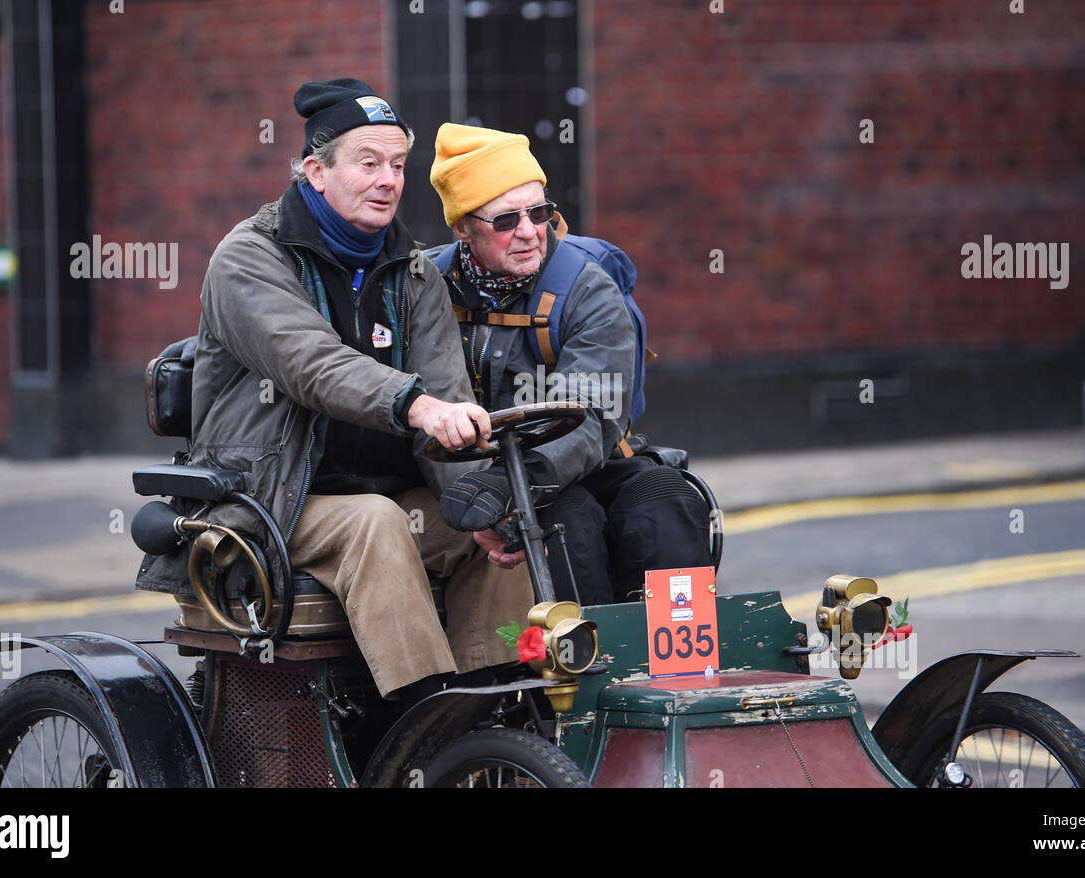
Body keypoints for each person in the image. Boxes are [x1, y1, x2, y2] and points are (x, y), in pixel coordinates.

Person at [135, 81, 531, 704]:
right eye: (368, 163)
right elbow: (312, 364)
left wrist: (479, 504)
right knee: (376, 523)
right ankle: (424, 725)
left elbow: (448, 387)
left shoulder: (413, 271)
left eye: (398, 165)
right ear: (316, 172)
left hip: (386, 497)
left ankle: (494, 712)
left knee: (498, 527)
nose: (388, 181)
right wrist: (417, 405)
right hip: (268, 502)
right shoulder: (247, 258)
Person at [426, 123, 712, 605]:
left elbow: (590, 410)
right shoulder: (425, 288)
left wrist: (515, 482)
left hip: (577, 458)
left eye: (539, 212)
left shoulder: (586, 285)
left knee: (667, 498)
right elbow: (421, 406)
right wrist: (481, 501)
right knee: (566, 518)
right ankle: (582, 670)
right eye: (505, 221)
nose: (529, 232)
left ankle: (679, 669)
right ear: (462, 229)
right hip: (476, 479)